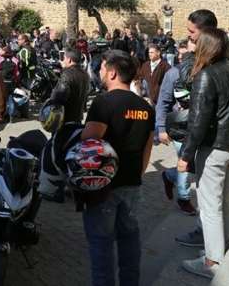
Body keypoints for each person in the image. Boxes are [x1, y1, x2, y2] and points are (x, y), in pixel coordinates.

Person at [177, 28, 229, 279]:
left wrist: (185, 155)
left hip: (215, 148)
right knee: (228, 199)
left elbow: (197, 121)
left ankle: (212, 261)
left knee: (210, 206)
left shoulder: (206, 75)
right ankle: (226, 242)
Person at [81, 50, 155, 286]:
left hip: (104, 186)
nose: (100, 71)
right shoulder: (145, 107)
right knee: (129, 239)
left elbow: (88, 142)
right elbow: (147, 148)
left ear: (112, 72)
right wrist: (138, 175)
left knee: (101, 244)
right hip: (132, 183)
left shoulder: (103, 102)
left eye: (103, 67)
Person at [155, 38, 198, 215]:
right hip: (180, 126)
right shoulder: (173, 73)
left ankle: (169, 176)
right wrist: (161, 128)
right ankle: (184, 198)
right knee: (186, 162)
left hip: (200, 126)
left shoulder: (206, 71)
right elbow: (163, 102)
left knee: (194, 165)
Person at [46, 48, 90, 125]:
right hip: (78, 116)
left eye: (64, 58)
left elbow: (58, 96)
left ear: (69, 60)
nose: (63, 61)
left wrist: (50, 104)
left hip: (65, 117)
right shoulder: (85, 74)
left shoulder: (67, 74)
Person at [0, 45, 20, 120]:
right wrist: (17, 82)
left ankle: (2, 115)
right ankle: (11, 115)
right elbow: (17, 73)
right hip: (11, 82)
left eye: (1, 50)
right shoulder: (15, 60)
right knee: (10, 98)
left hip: (1, 82)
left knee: (1, 99)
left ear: (4, 51)